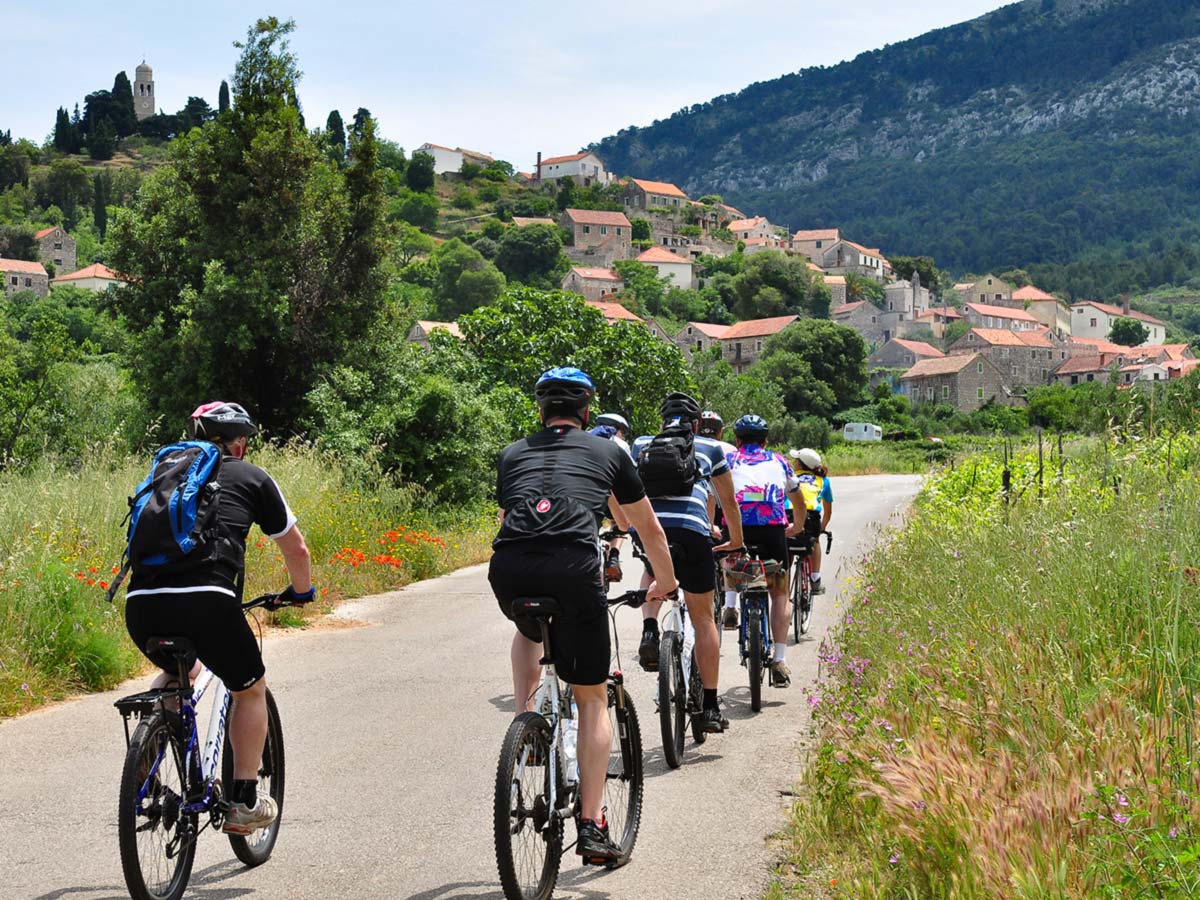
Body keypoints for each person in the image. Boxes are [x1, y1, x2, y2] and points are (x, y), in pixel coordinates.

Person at [491, 367, 678, 863]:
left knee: (526, 625)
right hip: (574, 568)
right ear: (586, 411)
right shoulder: (610, 452)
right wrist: (668, 582)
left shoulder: (512, 454)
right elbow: (649, 529)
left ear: (540, 410)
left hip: (508, 569)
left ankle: (525, 719)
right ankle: (592, 823)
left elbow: (512, 518)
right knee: (593, 697)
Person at [123, 402, 314, 835]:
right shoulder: (252, 476)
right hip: (207, 602)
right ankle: (244, 802)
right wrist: (302, 591)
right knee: (249, 689)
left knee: (178, 672)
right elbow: (296, 549)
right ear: (241, 442)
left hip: (142, 605)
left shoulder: (164, 475)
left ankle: (143, 763)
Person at [630, 392, 744, 732]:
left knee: (651, 568)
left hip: (652, 531)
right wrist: (734, 541)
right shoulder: (710, 448)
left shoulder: (641, 445)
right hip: (693, 532)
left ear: (662, 422)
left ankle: (649, 629)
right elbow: (728, 500)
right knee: (703, 618)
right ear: (696, 424)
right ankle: (709, 705)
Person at [725, 415, 805, 687]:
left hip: (738, 526)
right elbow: (798, 497)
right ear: (765, 440)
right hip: (772, 529)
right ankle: (780, 659)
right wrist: (797, 525)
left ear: (737, 440)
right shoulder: (780, 461)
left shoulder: (729, 460)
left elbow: (716, 496)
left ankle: (730, 605)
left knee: (732, 557)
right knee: (779, 591)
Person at [699, 410, 744, 630]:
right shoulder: (729, 450)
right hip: (724, 505)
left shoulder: (690, 445)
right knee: (732, 552)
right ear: (720, 431)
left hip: (700, 507)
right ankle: (730, 607)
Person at [789, 447, 833, 595]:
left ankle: (783, 577)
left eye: (795, 460)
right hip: (811, 518)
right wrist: (821, 528)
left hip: (790, 515)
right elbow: (828, 512)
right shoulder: (823, 481)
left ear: (800, 465)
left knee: (787, 544)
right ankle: (815, 579)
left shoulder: (790, 477)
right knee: (815, 541)